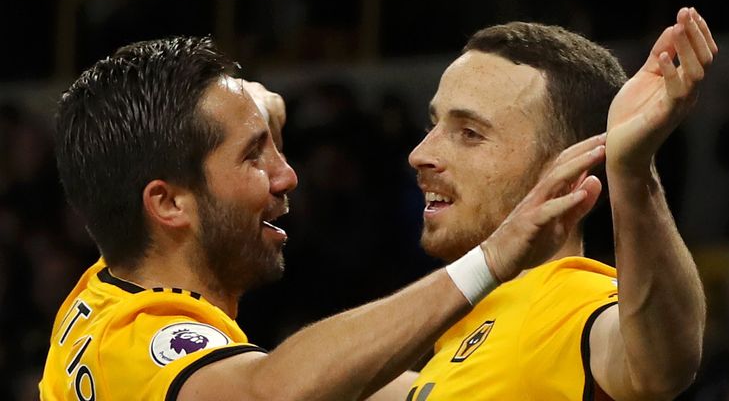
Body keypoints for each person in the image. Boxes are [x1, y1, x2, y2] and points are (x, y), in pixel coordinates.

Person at [39, 36, 608, 400]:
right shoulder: (136, 344)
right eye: (253, 155)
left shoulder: (109, 287)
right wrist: (490, 259)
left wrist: (256, 108)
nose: (288, 176)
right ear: (167, 204)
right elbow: (273, 393)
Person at [370, 7, 717, 400]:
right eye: (433, 126)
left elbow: (660, 367)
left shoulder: (567, 299)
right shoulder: (464, 334)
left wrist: (632, 170)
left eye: (469, 133)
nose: (420, 154)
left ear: (568, 168)